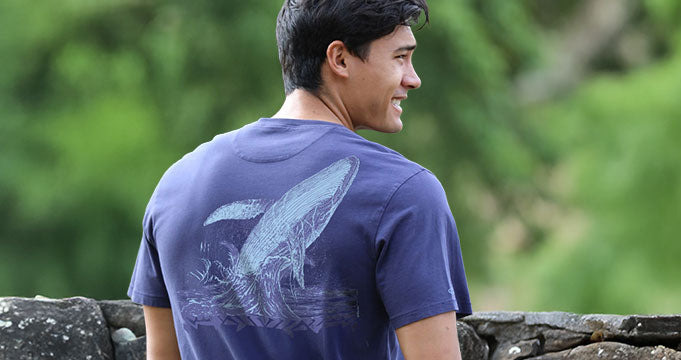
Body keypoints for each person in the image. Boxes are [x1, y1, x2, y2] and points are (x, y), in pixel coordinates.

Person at [127, 0, 470, 358]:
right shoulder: (405, 192)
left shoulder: (177, 184)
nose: (413, 79)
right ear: (339, 59)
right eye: (400, 58)